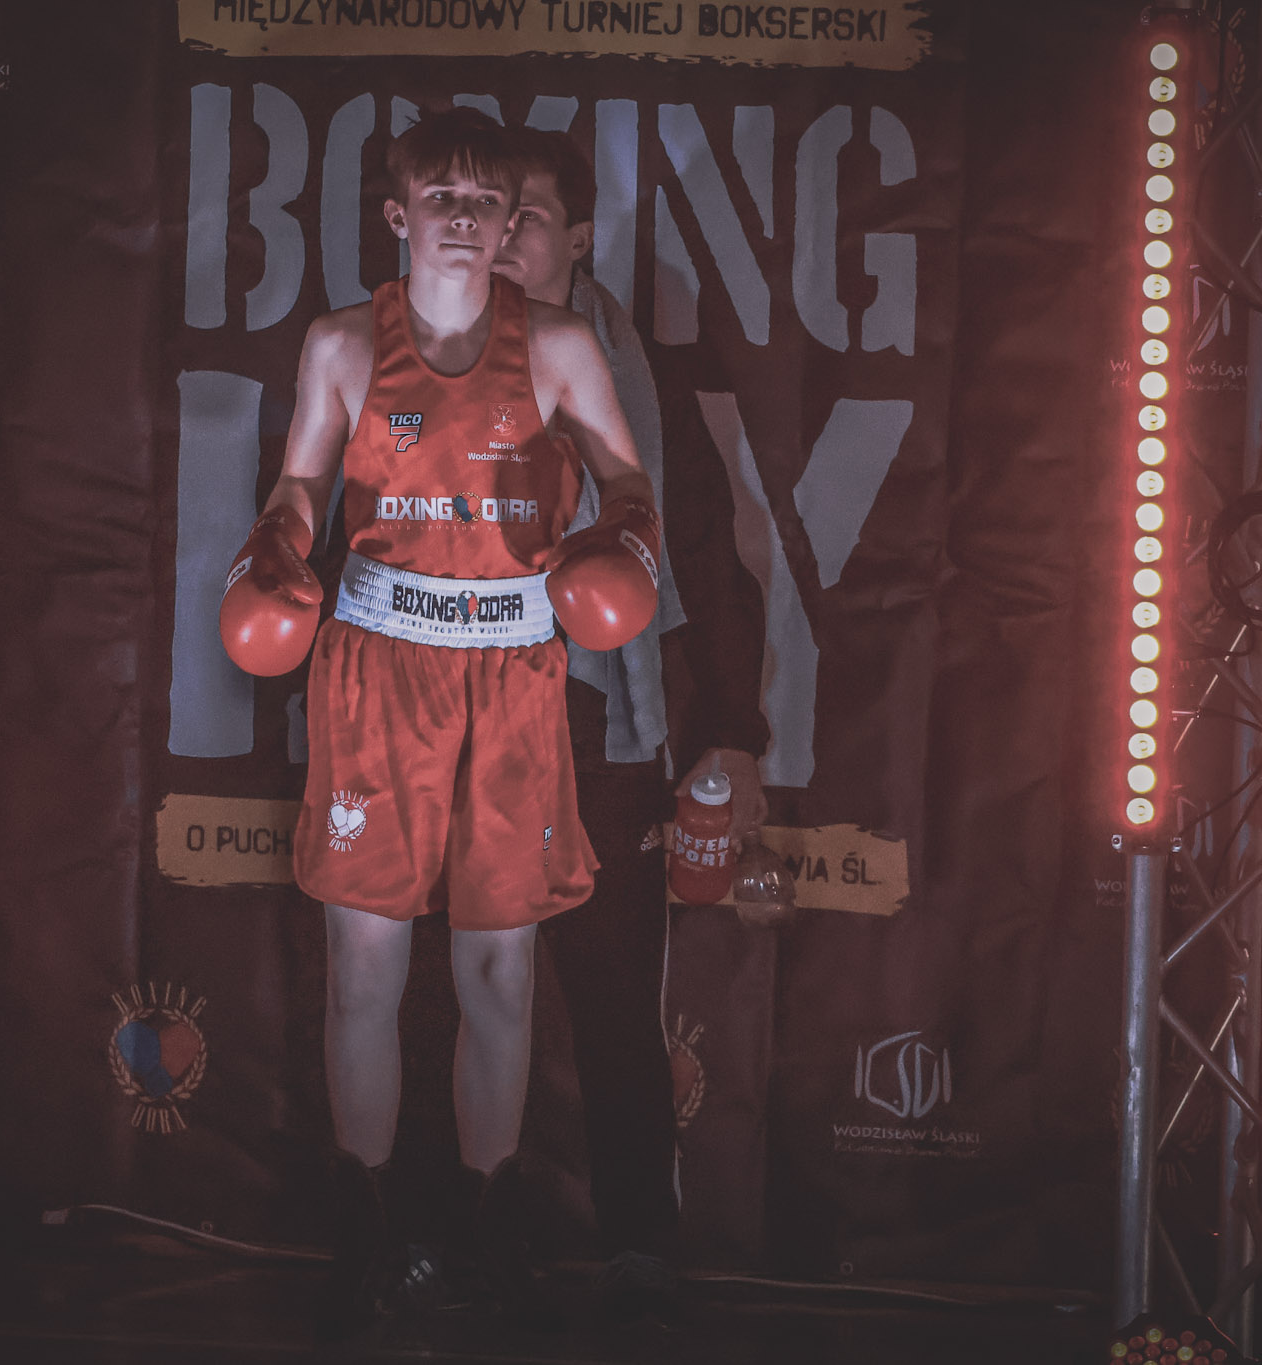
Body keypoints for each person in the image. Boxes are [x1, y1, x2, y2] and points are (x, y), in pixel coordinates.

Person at [215, 107, 662, 1334]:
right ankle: (364, 1237)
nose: (465, 219)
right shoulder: (341, 344)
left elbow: (626, 480)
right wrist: (275, 545)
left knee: (498, 971)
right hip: (377, 673)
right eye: (442, 198)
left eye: (485, 202)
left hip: (510, 673)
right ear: (398, 214)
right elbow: (300, 481)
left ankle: (486, 1236)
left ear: (511, 222)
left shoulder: (560, 345)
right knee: (362, 965)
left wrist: (623, 538)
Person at [493, 128, 768, 1319]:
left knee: (612, 1005)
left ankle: (639, 1249)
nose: (500, 240)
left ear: (580, 236)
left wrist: (732, 728)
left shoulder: (630, 377)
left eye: (527, 218)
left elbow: (702, 549)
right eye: (484, 215)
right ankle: (469, 1241)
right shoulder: (416, 373)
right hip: (456, 726)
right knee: (464, 999)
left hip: (599, 726)